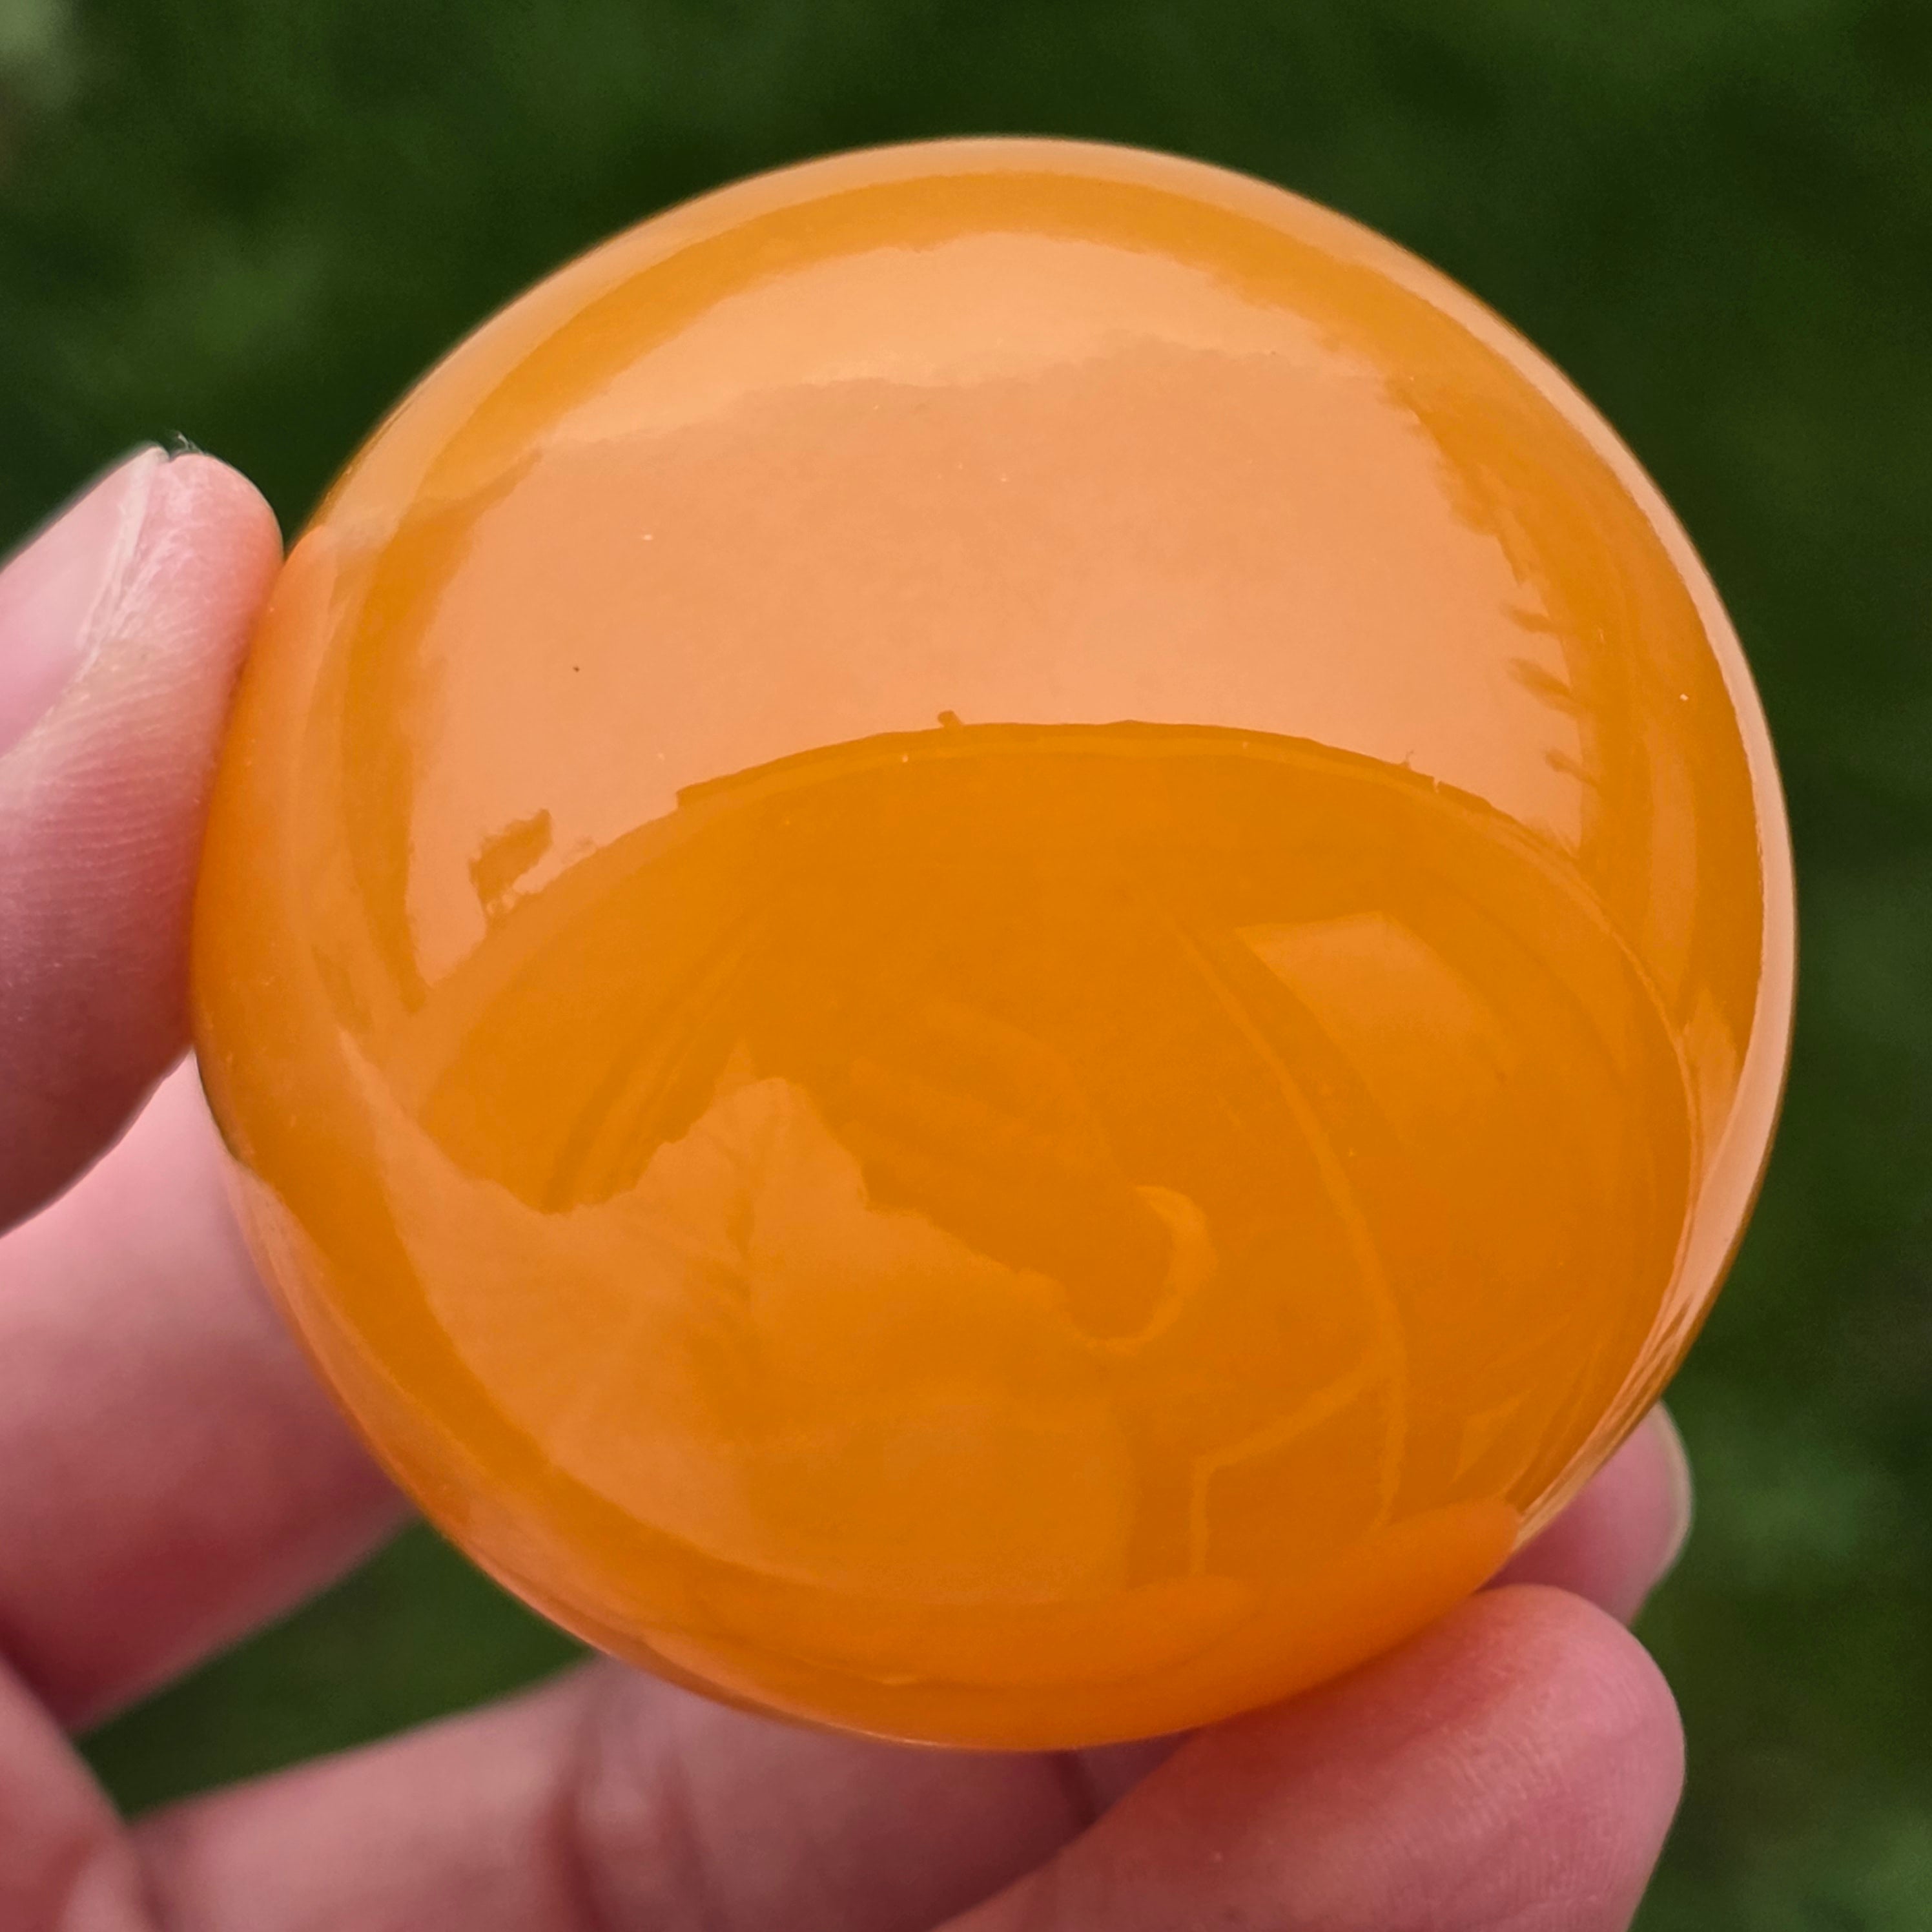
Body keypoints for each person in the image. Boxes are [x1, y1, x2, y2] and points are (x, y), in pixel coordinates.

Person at [0, 447, 1692, 1931]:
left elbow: (1295, 1338)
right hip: (924, 1638)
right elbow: (553, 1303)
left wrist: (1104, 1244)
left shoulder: (1196, 1072)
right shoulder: (756, 1148)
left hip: (1126, 1613)